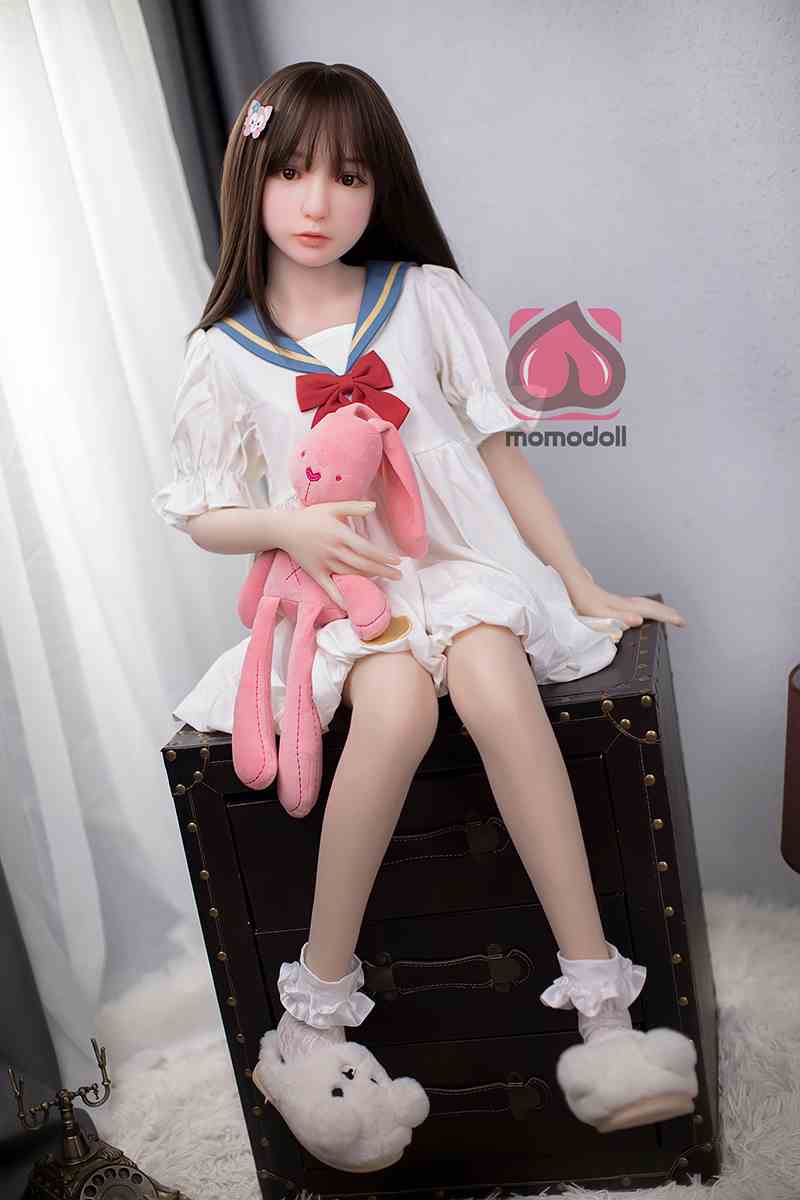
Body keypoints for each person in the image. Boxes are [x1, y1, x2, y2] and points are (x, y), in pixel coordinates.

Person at [153, 62, 698, 1172]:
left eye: (349, 177)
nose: (319, 203)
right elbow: (202, 512)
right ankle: (313, 1014)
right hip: (347, 597)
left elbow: (499, 457)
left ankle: (602, 1011)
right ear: (251, 178)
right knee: (395, 709)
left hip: (458, 570)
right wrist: (288, 526)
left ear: (381, 187)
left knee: (494, 680)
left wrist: (580, 584)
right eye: (294, 173)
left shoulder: (424, 294)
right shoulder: (222, 351)